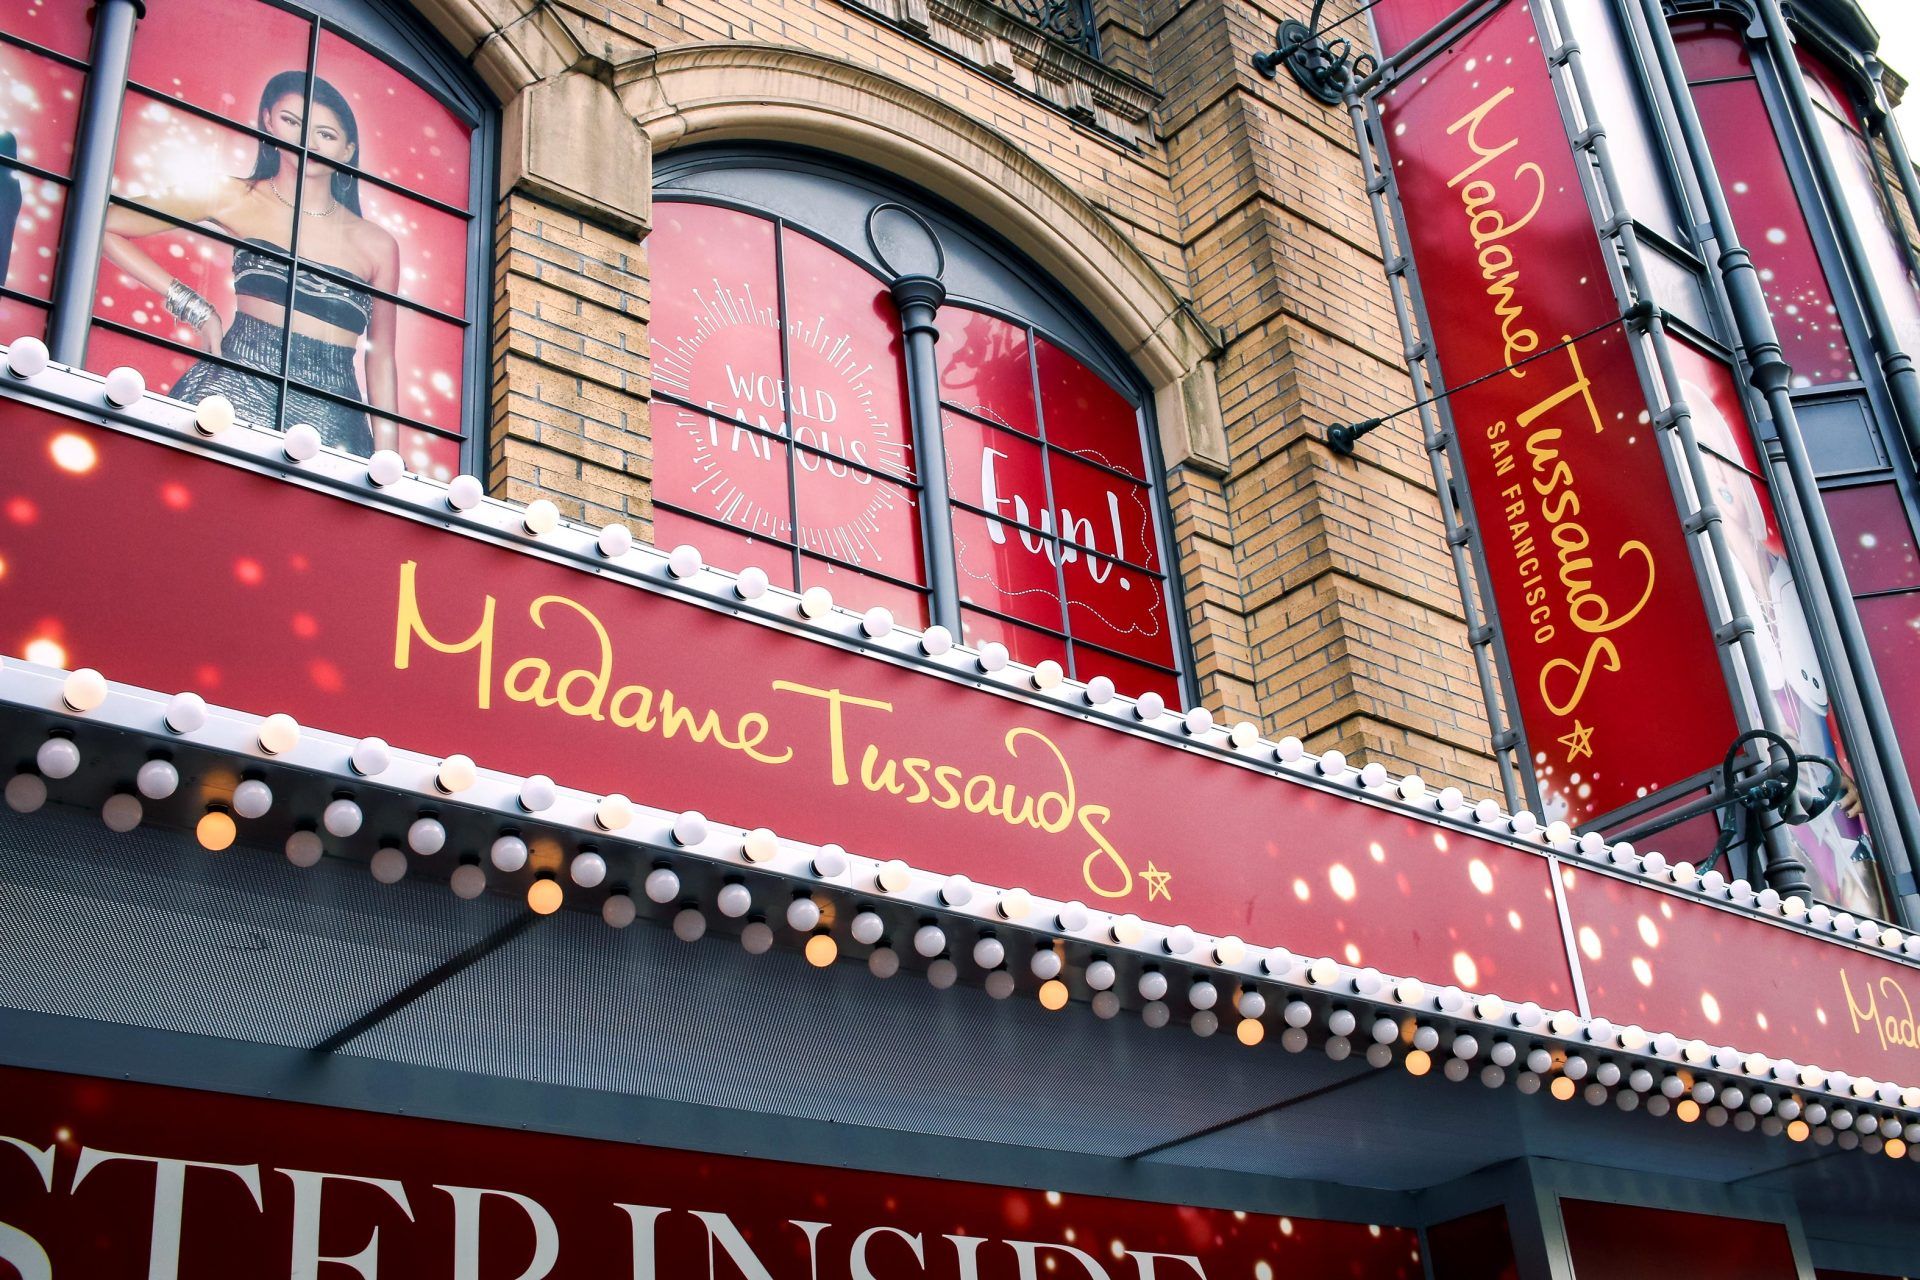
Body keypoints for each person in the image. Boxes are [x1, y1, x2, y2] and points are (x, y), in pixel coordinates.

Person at [101, 72, 397, 454]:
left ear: (347, 150)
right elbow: (106, 225)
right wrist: (197, 310)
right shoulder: (233, 195)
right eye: (292, 122)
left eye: (325, 134)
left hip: (335, 417)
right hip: (234, 389)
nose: (307, 142)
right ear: (268, 120)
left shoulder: (378, 245)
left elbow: (381, 358)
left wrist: (390, 461)